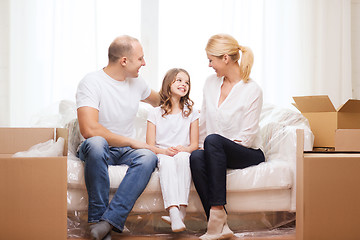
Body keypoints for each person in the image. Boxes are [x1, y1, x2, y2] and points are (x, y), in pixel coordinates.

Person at [76, 35, 160, 240]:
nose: (144, 63)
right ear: (124, 61)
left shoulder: (137, 82)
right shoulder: (92, 82)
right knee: (96, 143)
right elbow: (89, 129)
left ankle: (107, 222)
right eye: (140, 58)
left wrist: (187, 108)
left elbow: (161, 101)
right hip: (98, 148)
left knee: (148, 157)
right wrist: (132, 141)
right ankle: (97, 219)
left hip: (123, 151)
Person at [190, 34, 266, 240]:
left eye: (211, 60)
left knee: (213, 141)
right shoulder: (210, 83)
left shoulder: (252, 90)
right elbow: (204, 121)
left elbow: (247, 137)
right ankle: (218, 225)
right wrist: (198, 147)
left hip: (247, 152)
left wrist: (214, 149)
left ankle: (216, 222)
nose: (209, 65)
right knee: (196, 157)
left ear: (225, 58)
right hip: (217, 148)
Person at [146, 68, 199, 232]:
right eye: (179, 80)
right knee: (168, 163)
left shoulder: (191, 112)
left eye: (187, 82)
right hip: (163, 154)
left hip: (183, 153)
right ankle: (174, 211)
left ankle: (181, 212)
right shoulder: (155, 113)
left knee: (183, 158)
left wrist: (185, 148)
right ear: (169, 83)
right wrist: (165, 152)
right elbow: (150, 146)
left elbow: (195, 145)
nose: (184, 84)